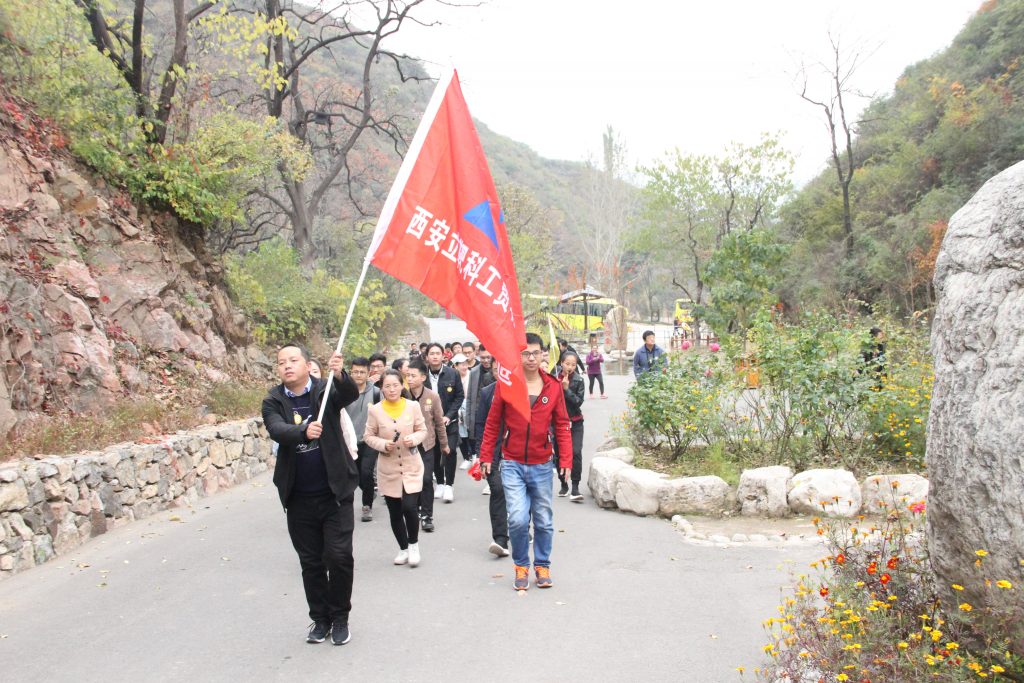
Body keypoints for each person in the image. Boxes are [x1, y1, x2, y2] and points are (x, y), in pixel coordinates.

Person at [262, 343, 359, 646]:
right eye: (281, 362)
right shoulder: (273, 400)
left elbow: (350, 394)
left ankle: (340, 617)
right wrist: (303, 432)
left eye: (293, 360)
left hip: (335, 493)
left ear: (306, 364)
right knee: (311, 562)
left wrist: (340, 374)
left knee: (339, 556)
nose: (287, 366)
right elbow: (277, 429)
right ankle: (320, 619)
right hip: (299, 497)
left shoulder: (325, 388)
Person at [478, 333, 572, 591]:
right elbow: (493, 423)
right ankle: (521, 565)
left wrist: (566, 459)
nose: (531, 358)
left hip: (542, 464)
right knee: (518, 519)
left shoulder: (552, 386)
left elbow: (563, 424)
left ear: (543, 355)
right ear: (518, 357)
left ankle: (542, 565)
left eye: (535, 353)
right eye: (525, 353)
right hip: (512, 463)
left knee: (543, 520)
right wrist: (486, 455)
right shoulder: (506, 385)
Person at [364, 370, 428, 567]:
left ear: (402, 386)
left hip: (411, 465)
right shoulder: (375, 410)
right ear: (381, 388)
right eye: (387, 386)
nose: (391, 389)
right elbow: (368, 436)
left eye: (395, 385)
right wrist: (383, 444)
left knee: (409, 506)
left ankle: (414, 545)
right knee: (394, 511)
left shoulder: (413, 406)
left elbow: (423, 430)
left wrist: (414, 439)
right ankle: (403, 548)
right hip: (388, 467)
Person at [403, 358, 448, 533]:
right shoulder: (402, 395)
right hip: (407, 445)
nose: (410, 379)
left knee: (426, 479)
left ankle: (427, 515)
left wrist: (444, 444)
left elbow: (438, 422)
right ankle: (417, 509)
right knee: (412, 480)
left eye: (413, 375)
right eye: (408, 375)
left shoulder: (432, 396)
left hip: (428, 444)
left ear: (423, 377)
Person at [424, 342, 463, 502]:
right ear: (427, 357)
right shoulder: (422, 375)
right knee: (434, 453)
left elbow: (459, 397)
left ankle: (449, 485)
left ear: (443, 356)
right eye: (431, 353)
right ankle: (439, 483)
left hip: (449, 421)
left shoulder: (453, 374)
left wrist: (448, 415)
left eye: (437, 353)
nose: (434, 356)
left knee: (450, 451)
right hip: (429, 423)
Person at [474, 380, 509, 557]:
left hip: (517, 450)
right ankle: (500, 539)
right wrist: (480, 453)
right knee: (498, 489)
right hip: (492, 451)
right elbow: (481, 423)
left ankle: (523, 526)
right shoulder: (488, 392)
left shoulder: (525, 388)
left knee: (521, 491)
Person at [344, 357, 380, 523]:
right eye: (355, 372)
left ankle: (367, 506)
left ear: (368, 373)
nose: (358, 375)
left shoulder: (376, 392)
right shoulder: (343, 392)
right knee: (355, 476)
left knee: (366, 472)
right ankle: (368, 490)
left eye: (362, 372)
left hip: (369, 440)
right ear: (351, 372)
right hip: (349, 442)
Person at [554, 352, 586, 502]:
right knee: (559, 454)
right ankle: (563, 483)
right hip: (559, 423)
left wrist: (566, 389)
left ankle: (575, 486)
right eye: (567, 364)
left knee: (575, 452)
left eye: (573, 364)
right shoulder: (553, 379)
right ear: (561, 363)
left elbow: (578, 401)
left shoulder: (579, 380)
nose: (570, 367)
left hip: (575, 421)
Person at [453, 352, 478, 471]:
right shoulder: (453, 377)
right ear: (455, 366)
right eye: (461, 364)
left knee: (471, 431)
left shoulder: (471, 374)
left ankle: (474, 455)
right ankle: (466, 458)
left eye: (465, 363)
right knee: (461, 433)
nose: (464, 366)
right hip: (458, 406)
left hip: (470, 405)